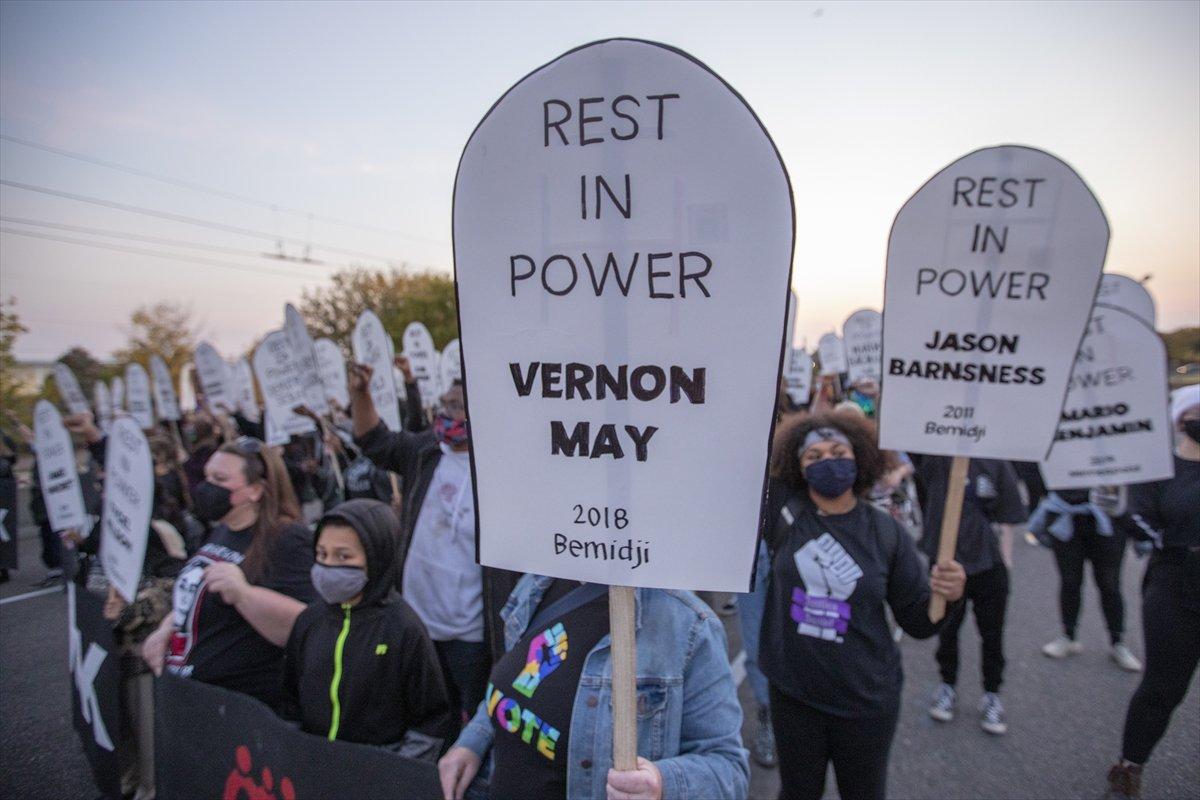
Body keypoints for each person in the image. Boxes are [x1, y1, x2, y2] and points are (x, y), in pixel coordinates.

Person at [759, 412, 965, 800]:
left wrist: (948, 596)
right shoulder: (783, 513)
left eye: (838, 452)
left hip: (865, 700)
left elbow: (920, 622)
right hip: (794, 694)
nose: (828, 462)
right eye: (813, 456)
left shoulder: (887, 533)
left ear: (860, 457)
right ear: (797, 468)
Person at [437, 575, 749, 800]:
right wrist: (474, 740)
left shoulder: (687, 624)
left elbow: (729, 771)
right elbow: (518, 682)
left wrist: (661, 784)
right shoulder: (538, 580)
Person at [349, 361, 514, 720]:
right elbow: (371, 439)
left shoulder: (505, 470)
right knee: (417, 712)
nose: (447, 413)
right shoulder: (424, 453)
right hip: (414, 623)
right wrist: (360, 392)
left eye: (457, 406)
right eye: (445, 404)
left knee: (466, 717)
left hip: (469, 635)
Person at [141, 436, 315, 711]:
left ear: (255, 490)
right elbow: (197, 595)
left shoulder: (287, 539)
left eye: (220, 479)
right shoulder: (222, 529)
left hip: (245, 707)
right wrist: (168, 630)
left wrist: (244, 595)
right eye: (207, 476)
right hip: (197, 696)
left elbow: (307, 625)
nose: (208, 487)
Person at [282, 499, 454, 754]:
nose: (328, 565)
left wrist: (398, 774)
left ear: (377, 557)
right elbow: (290, 699)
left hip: (378, 770)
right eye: (321, 554)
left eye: (343, 556)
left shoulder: (403, 628)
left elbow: (431, 718)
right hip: (312, 764)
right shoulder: (310, 619)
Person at [1103, 385, 1200, 799]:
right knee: (1163, 686)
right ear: (1179, 421)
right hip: (1176, 583)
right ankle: (1129, 767)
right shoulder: (1158, 469)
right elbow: (1137, 517)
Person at [916, 454, 1026, 735]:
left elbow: (1008, 512)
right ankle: (947, 685)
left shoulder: (996, 462)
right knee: (947, 629)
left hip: (988, 564)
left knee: (992, 633)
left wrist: (1006, 555)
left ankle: (992, 694)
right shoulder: (936, 460)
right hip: (946, 561)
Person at [1027, 486, 1141, 671]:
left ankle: (1118, 642)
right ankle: (1068, 636)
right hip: (1068, 512)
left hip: (1109, 515)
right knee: (1069, 581)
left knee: (1110, 584)